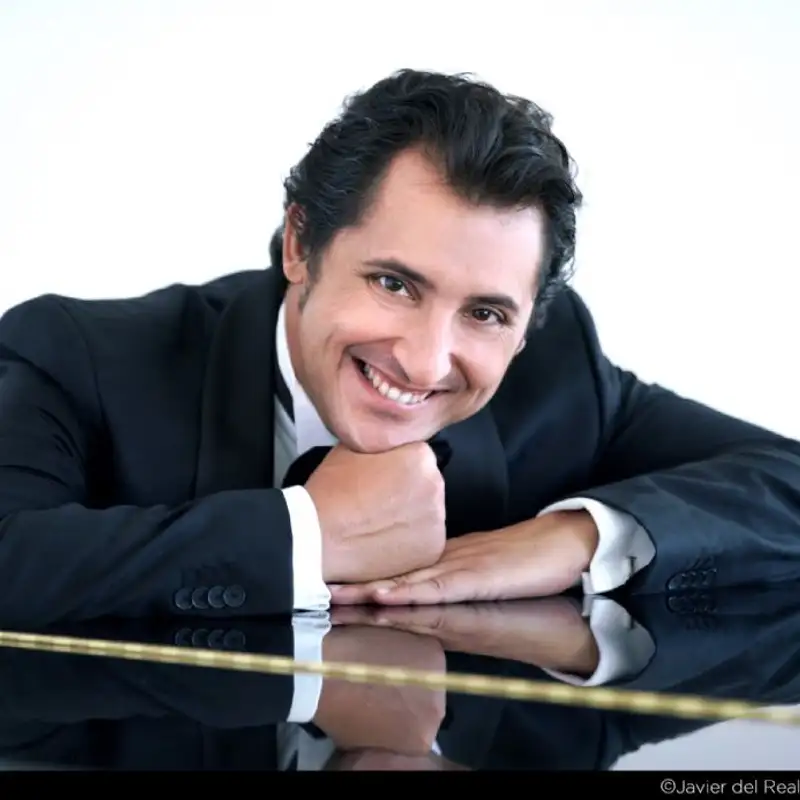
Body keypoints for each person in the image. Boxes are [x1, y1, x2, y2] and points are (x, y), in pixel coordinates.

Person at [1, 69, 799, 629]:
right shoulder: (72, 356)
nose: (424, 362)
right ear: (300, 244)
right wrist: (306, 535)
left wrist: (576, 537)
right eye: (394, 284)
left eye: (485, 313)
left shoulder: (560, 376)